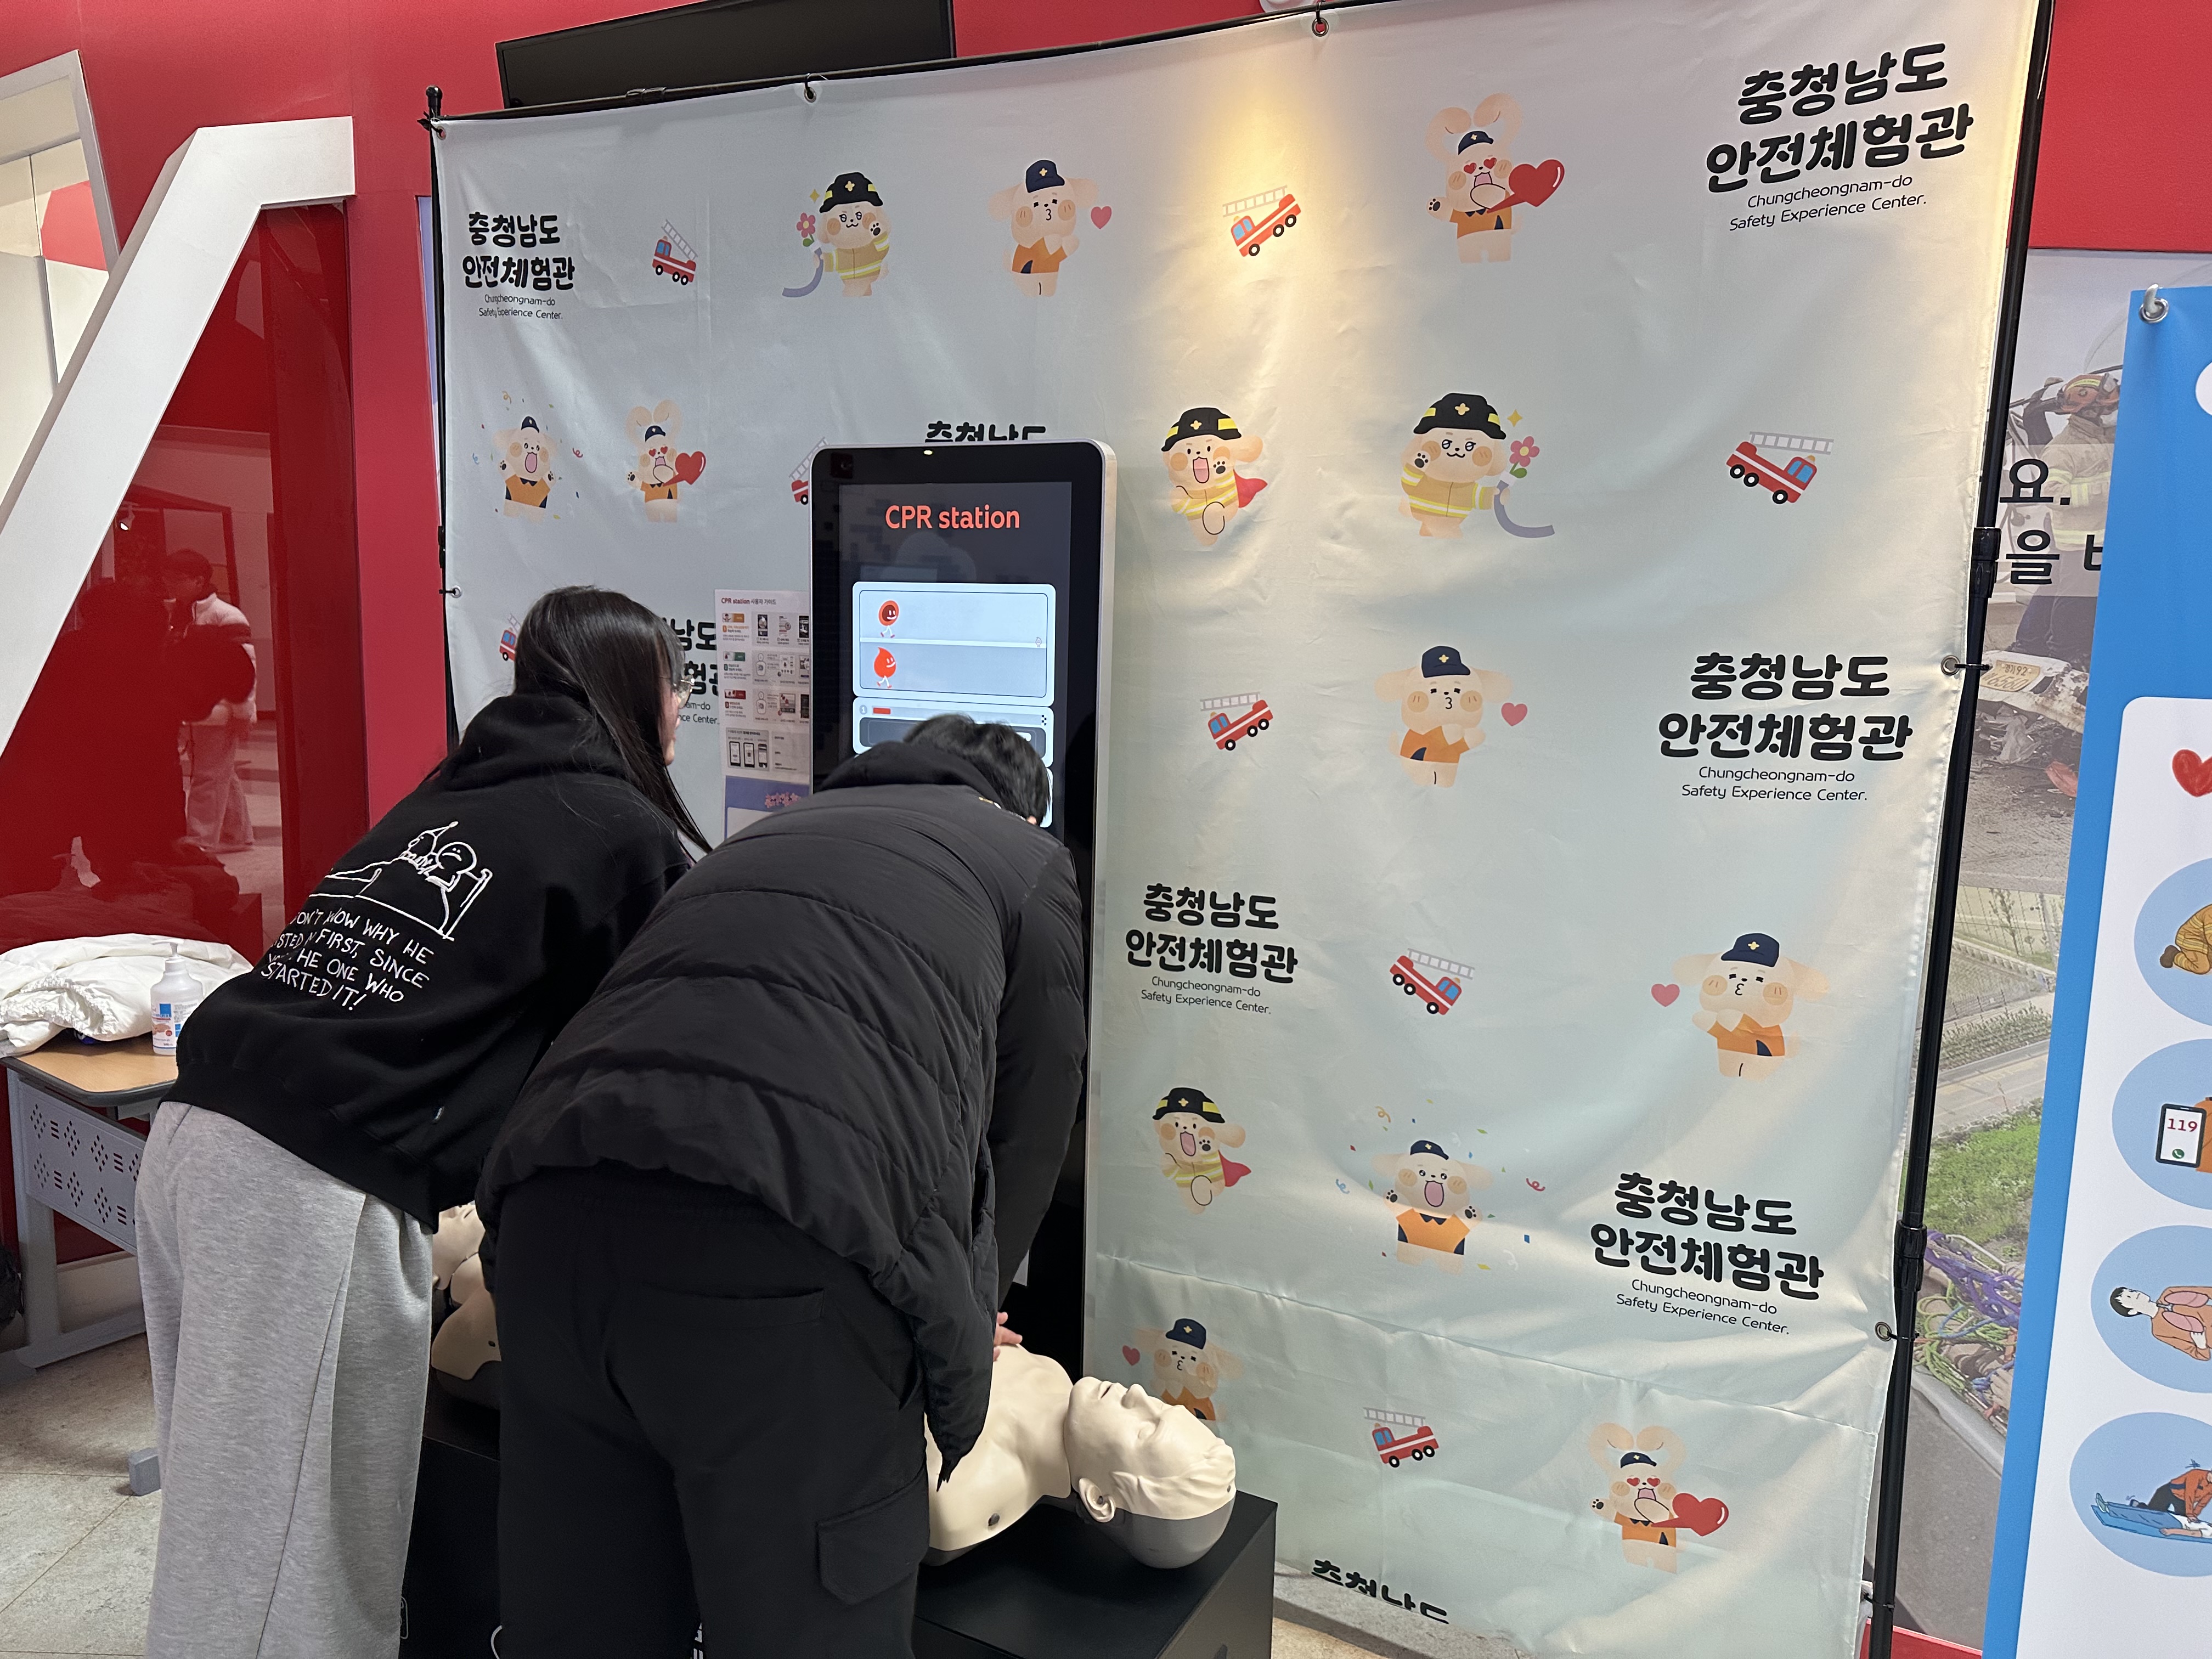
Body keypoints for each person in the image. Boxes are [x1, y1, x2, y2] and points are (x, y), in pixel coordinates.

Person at [135, 586, 706, 1659]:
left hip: (191, 1138)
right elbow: (654, 1060)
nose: (682, 706)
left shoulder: (453, 790)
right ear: (639, 688)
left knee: (231, 1526)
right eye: (678, 684)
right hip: (302, 1186)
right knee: (302, 1567)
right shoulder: (624, 832)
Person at [478, 713, 1088, 1657]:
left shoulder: (767, 835)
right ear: (1020, 804)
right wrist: (973, 1313)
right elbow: (1032, 1120)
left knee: (582, 1622)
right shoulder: (1025, 858)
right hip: (786, 1263)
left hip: (546, 1220)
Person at [163, 549, 258, 853]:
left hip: (220, 710)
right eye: (168, 578)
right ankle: (237, 834)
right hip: (191, 709)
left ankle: (200, 842)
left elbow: (244, 669)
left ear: (199, 580)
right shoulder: (173, 614)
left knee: (209, 776)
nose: (170, 585)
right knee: (218, 772)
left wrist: (242, 713)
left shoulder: (227, 617)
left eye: (177, 579)